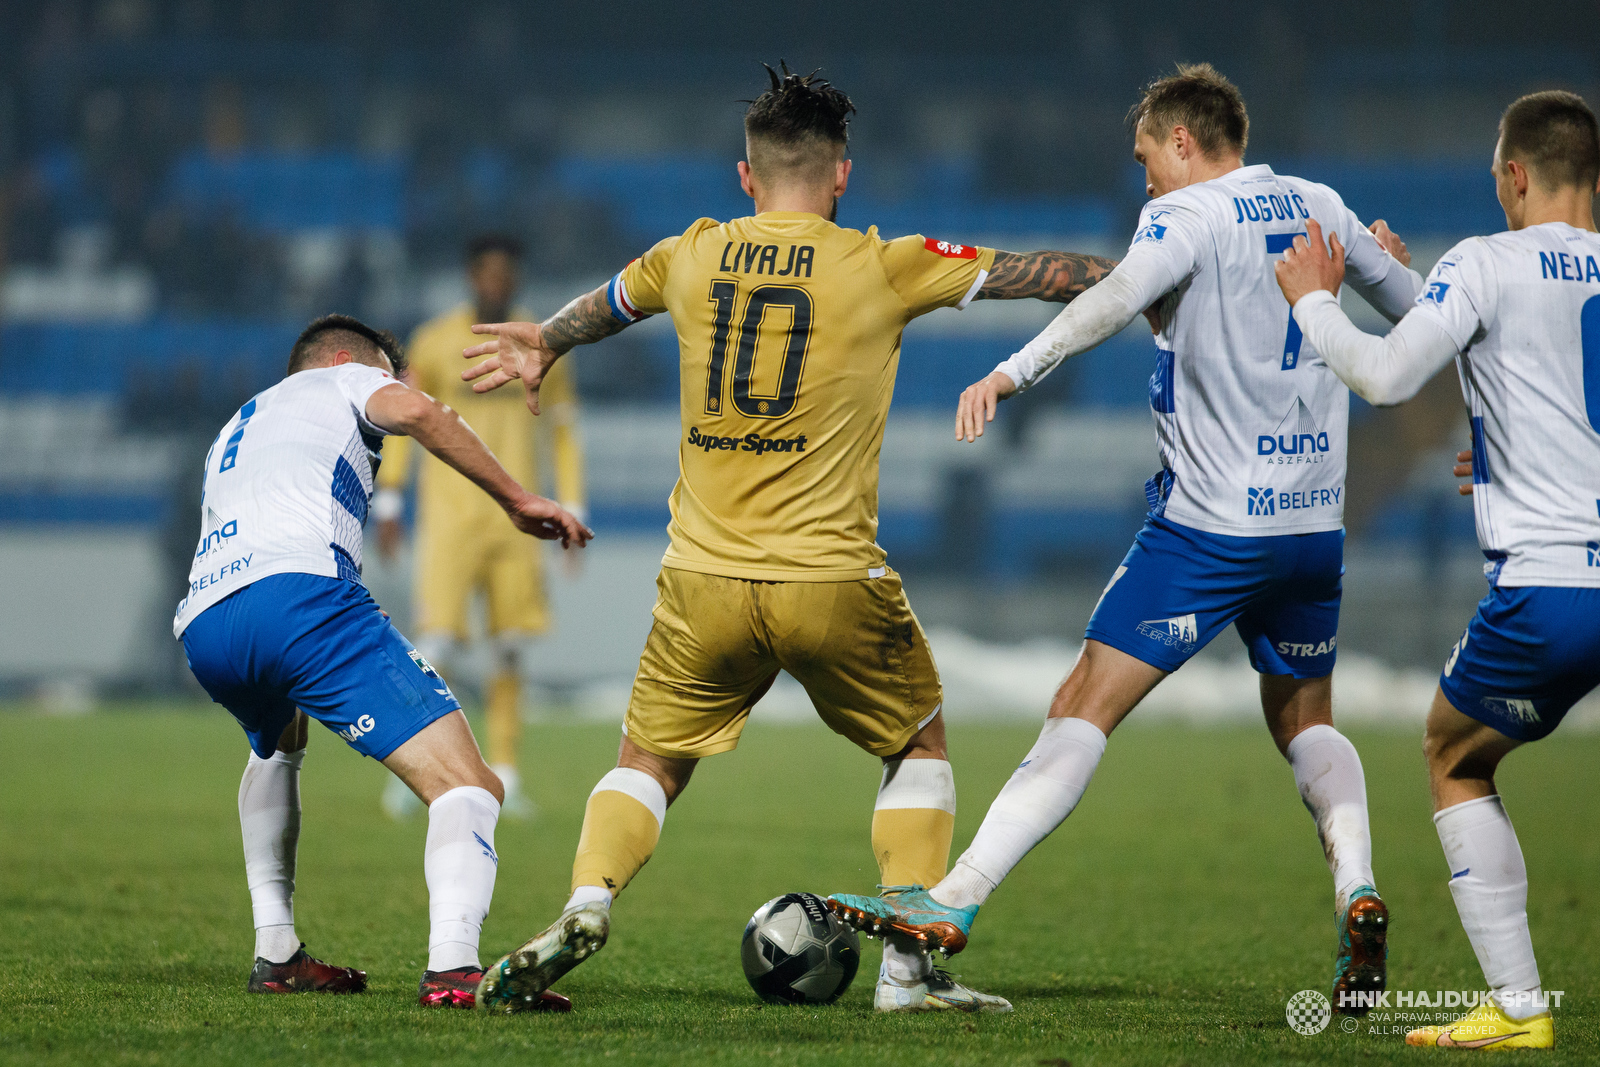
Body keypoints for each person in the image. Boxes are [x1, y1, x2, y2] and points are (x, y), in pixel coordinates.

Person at [458, 63, 1121, 1015]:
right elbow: (1041, 274)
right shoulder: (885, 262)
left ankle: (587, 900)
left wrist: (545, 343)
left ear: (745, 176)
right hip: (829, 577)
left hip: (702, 579)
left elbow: (605, 305)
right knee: (919, 744)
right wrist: (1153, 275)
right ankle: (907, 974)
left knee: (646, 762)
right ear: (842, 174)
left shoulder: (690, 252)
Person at [828, 63, 1422, 1013]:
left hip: (1208, 531)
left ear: (1183, 142)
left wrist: (1012, 372)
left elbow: (1108, 301)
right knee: (1306, 718)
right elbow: (1426, 320)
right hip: (1314, 526)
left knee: (1081, 704)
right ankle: (1356, 884)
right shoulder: (1322, 206)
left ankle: (955, 898)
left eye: (1147, 158)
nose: (1143, 179)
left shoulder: (1183, 218)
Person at [1274, 89, 1600, 1051]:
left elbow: (1382, 378)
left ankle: (1518, 1005)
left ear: (1513, 174)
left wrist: (1314, 301)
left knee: (1454, 752)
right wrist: (1512, 450)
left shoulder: (1486, 262)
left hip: (1552, 589)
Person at [174, 314, 591, 1009]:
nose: (392, 387)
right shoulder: (349, 376)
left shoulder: (239, 422)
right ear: (346, 358)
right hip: (301, 603)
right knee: (470, 786)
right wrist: (518, 498)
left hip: (208, 623)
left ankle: (276, 950)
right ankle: (454, 969)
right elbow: (421, 412)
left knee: (279, 745)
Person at [374, 234, 586, 821]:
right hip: (449, 520)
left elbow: (563, 430)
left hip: (518, 523)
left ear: (514, 280)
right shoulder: (437, 342)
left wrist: (574, 506)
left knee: (511, 652)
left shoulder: (543, 343)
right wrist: (389, 499)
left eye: (505, 275)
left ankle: (507, 775)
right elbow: (407, 421)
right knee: (433, 648)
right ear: (472, 277)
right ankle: (416, 771)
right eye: (486, 274)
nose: (495, 283)